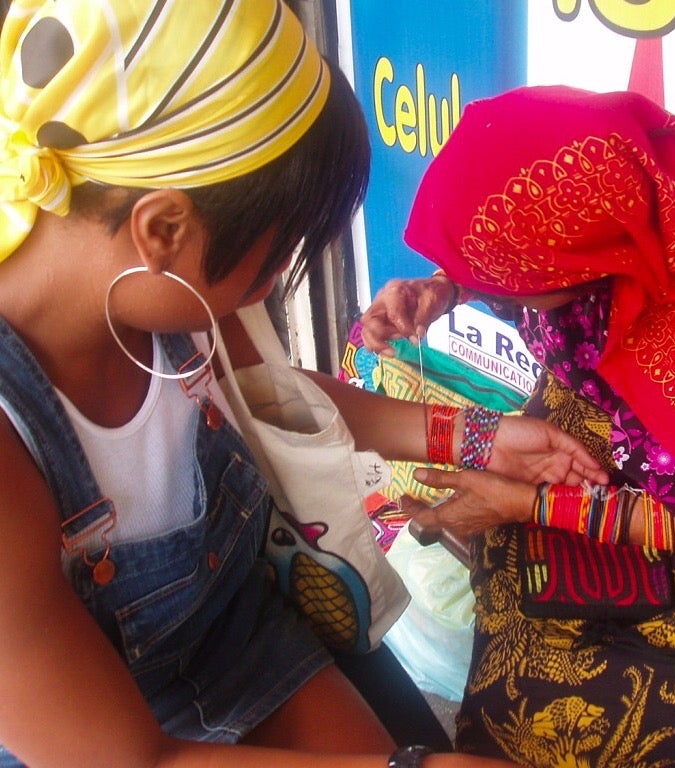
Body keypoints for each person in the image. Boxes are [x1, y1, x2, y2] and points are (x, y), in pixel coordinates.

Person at [0, 3, 611, 766]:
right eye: (278, 250)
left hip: (243, 635)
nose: (274, 280)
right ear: (163, 230)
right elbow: (132, 758)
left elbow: (280, 403)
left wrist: (481, 437)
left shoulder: (162, 291)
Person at [361, 85, 675, 766]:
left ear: (576, 263)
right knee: (510, 692)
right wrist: (443, 288)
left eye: (498, 279)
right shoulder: (620, 217)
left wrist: (530, 505)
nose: (493, 291)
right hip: (576, 456)